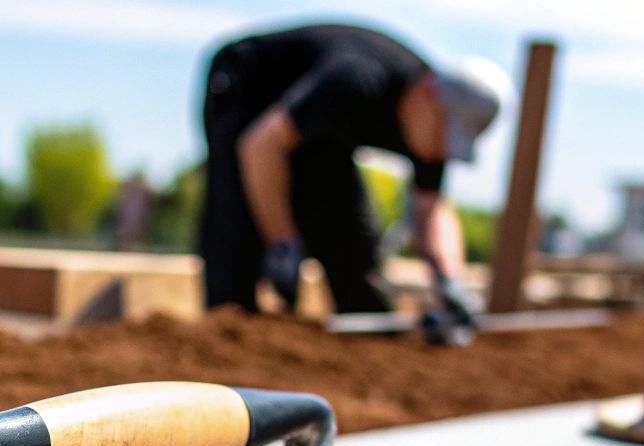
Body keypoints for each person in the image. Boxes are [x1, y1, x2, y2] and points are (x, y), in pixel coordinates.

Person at [197, 23, 508, 345]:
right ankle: (227, 345)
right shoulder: (356, 79)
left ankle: (369, 347)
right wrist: (282, 242)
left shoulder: (433, 131)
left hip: (323, 130)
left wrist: (449, 282)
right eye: (445, 134)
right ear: (425, 95)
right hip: (251, 93)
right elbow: (261, 145)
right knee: (237, 233)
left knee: (352, 248)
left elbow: (430, 209)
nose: (444, 151)